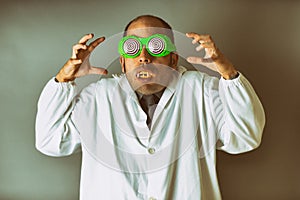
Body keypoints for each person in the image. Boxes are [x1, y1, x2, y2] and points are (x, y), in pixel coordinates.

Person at [35, 15, 265, 200]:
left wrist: (229, 75)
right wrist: (63, 81)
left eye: (156, 46)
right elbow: (50, 142)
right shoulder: (97, 97)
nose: (144, 57)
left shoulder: (201, 90)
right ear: (123, 62)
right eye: (133, 48)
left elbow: (246, 138)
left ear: (174, 60)